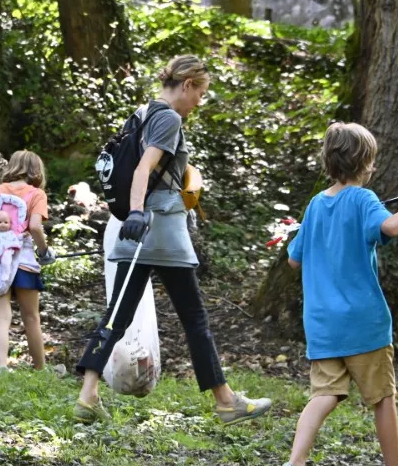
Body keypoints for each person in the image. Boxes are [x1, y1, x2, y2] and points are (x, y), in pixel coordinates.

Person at [73, 54, 272, 425]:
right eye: (201, 92)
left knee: (117, 315)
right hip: (160, 228)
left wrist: (134, 214)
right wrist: (136, 212)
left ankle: (87, 395)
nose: (200, 101)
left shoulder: (143, 112)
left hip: (138, 231)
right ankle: (226, 401)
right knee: (195, 318)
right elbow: (142, 168)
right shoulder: (168, 118)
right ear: (187, 85)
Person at [273, 122, 398, 466]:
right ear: (365, 162)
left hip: (322, 325)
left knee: (324, 394)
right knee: (383, 399)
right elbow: (392, 226)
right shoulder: (364, 198)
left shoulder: (317, 204)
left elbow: (293, 260)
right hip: (363, 324)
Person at [0, 150, 56, 371]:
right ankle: (39, 369)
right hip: (25, 260)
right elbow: (35, 227)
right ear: (36, 170)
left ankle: (0, 367)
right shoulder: (37, 194)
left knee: (1, 317)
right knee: (31, 317)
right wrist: (44, 252)